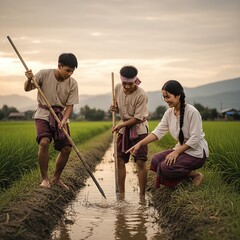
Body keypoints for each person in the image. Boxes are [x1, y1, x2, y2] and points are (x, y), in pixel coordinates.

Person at [126, 80, 208, 188]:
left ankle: (196, 175)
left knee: (166, 167)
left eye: (168, 97)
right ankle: (183, 178)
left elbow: (196, 138)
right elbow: (158, 132)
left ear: (178, 95)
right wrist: (140, 144)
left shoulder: (192, 112)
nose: (165, 100)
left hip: (196, 153)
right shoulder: (169, 113)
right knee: (156, 160)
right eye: (164, 97)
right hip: (183, 150)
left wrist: (176, 152)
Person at [24, 53, 79, 190]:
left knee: (66, 148)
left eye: (72, 71)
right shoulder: (43, 74)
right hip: (43, 113)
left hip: (61, 115)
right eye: (67, 70)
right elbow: (27, 88)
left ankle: (56, 178)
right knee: (44, 142)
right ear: (59, 66)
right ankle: (45, 179)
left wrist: (64, 120)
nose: (70, 73)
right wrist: (29, 79)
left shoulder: (73, 83)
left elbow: (70, 106)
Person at [110, 65, 149, 198]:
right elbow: (117, 106)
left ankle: (142, 196)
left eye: (130, 84)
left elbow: (138, 118)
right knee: (119, 159)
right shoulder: (117, 88)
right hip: (123, 129)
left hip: (139, 129)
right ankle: (121, 195)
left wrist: (121, 126)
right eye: (124, 83)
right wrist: (114, 108)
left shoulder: (141, 95)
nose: (126, 87)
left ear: (135, 80)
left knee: (140, 161)